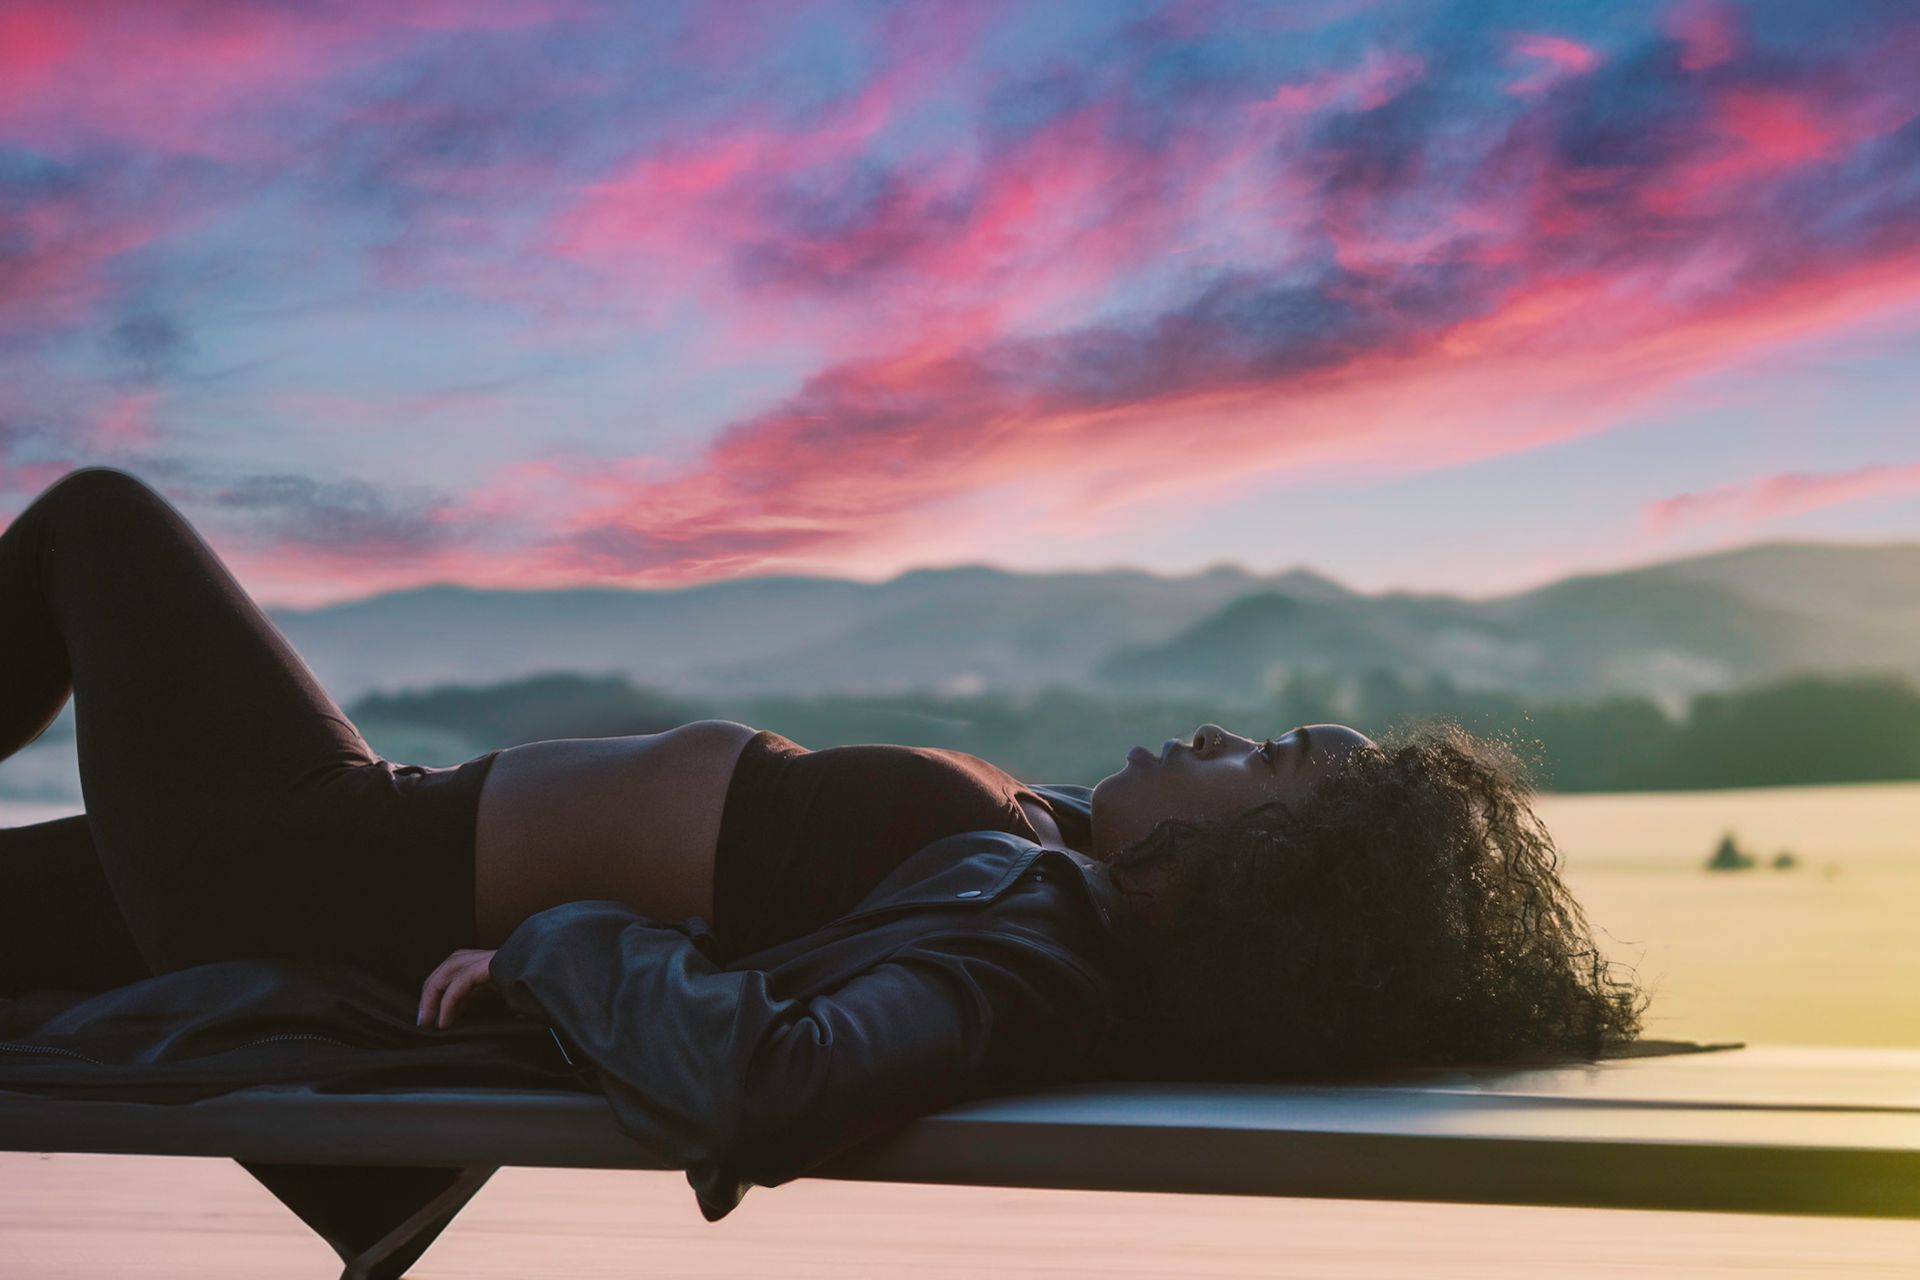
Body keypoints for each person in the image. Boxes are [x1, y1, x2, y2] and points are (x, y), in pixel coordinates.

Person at [0, 465, 1644, 1101]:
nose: (1215, 738)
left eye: (1258, 765)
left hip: (309, 864)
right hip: (356, 835)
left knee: (99, 523)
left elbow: (780, 1072)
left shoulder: (1025, 932)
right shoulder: (1046, 855)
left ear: (1250, 878)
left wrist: (550, 949)